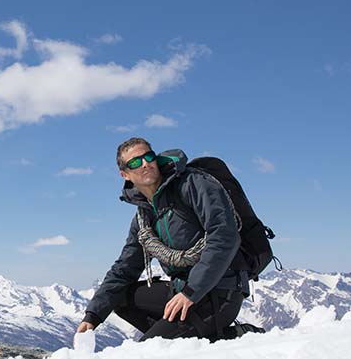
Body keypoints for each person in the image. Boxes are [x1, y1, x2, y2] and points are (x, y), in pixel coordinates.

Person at [76, 137, 250, 341]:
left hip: (220, 292)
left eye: (148, 156)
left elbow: (224, 236)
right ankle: (193, 334)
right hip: (182, 289)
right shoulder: (144, 216)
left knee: (149, 349)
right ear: (125, 175)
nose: (145, 163)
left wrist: (191, 292)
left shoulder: (192, 184)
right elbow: (125, 268)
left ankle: (205, 334)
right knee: (121, 297)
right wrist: (93, 316)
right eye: (135, 162)